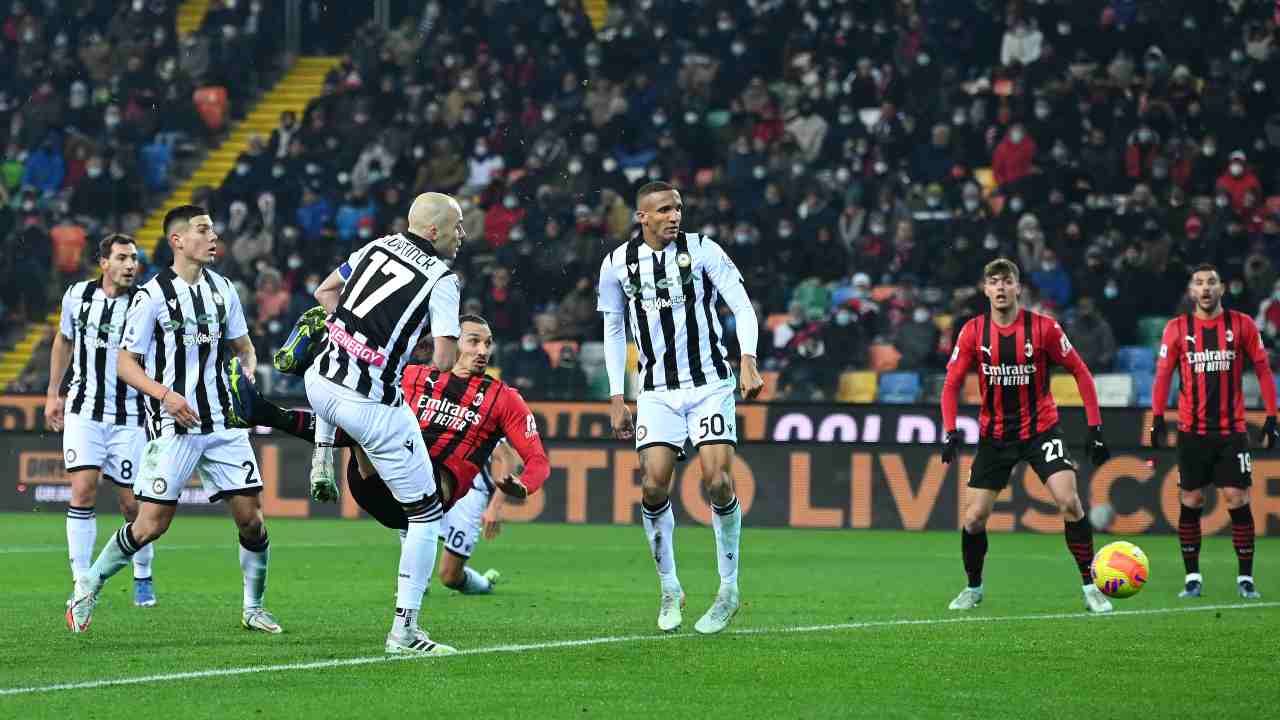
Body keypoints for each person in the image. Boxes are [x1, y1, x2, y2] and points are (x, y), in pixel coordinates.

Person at [227, 314, 549, 596]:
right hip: (376, 483)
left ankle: (280, 399)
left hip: (430, 492)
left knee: (449, 575)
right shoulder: (414, 377)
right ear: (451, 341)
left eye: (488, 343)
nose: (482, 351)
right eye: (473, 341)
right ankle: (306, 376)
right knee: (360, 402)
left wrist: (525, 485)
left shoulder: (503, 399)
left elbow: (537, 459)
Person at [67, 207, 278, 635]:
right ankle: (89, 582)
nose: (213, 236)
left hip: (223, 424)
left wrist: (249, 370)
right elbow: (125, 364)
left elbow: (244, 347)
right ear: (177, 240)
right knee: (150, 525)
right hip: (174, 426)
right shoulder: (152, 295)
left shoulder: (224, 289)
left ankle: (253, 607)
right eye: (203, 229)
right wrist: (167, 395)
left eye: (213, 229)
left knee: (252, 520)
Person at [597, 181, 764, 635]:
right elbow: (614, 331)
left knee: (718, 480)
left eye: (679, 208)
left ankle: (728, 589)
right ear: (642, 217)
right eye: (664, 210)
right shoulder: (617, 264)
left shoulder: (704, 250)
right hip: (656, 391)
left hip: (710, 383)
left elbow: (742, 307)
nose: (674, 216)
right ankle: (670, 587)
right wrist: (617, 396)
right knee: (653, 486)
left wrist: (747, 360)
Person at [304, 192, 464, 655]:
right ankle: (404, 631)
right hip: (369, 403)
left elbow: (324, 293)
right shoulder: (443, 278)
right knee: (426, 515)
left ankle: (322, 453)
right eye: (456, 225)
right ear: (433, 230)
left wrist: (354, 339)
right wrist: (391, 354)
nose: (462, 233)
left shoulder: (375, 247)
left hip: (320, 383)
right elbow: (445, 357)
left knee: (335, 400)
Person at [939, 258, 1113, 613]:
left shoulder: (1045, 329)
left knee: (1070, 502)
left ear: (1018, 288)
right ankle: (974, 588)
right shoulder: (973, 331)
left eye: (1007, 282)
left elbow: (1081, 373)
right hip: (995, 435)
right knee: (973, 519)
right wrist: (950, 430)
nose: (1000, 288)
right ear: (985, 290)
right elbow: (952, 383)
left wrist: (1095, 428)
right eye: (994, 282)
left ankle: (1090, 586)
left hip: (1041, 430)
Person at [1150, 263, 1279, 600]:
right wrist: (1158, 417)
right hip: (1192, 431)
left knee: (1237, 498)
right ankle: (1192, 577)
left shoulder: (1243, 325)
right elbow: (1164, 375)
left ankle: (1245, 579)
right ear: (1191, 291)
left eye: (1211, 282)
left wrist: (1271, 415)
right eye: (1199, 283)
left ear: (1222, 288)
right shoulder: (1177, 328)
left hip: (1231, 430)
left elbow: (1264, 371)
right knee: (1191, 499)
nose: (1205, 288)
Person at [47, 234, 156, 608]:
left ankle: (143, 573)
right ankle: (81, 581)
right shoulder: (77, 296)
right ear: (103, 262)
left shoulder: (144, 303)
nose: (131, 265)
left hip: (129, 417)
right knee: (82, 491)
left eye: (135, 259)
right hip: (84, 410)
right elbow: (63, 340)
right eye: (123, 258)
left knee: (132, 506)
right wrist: (52, 393)